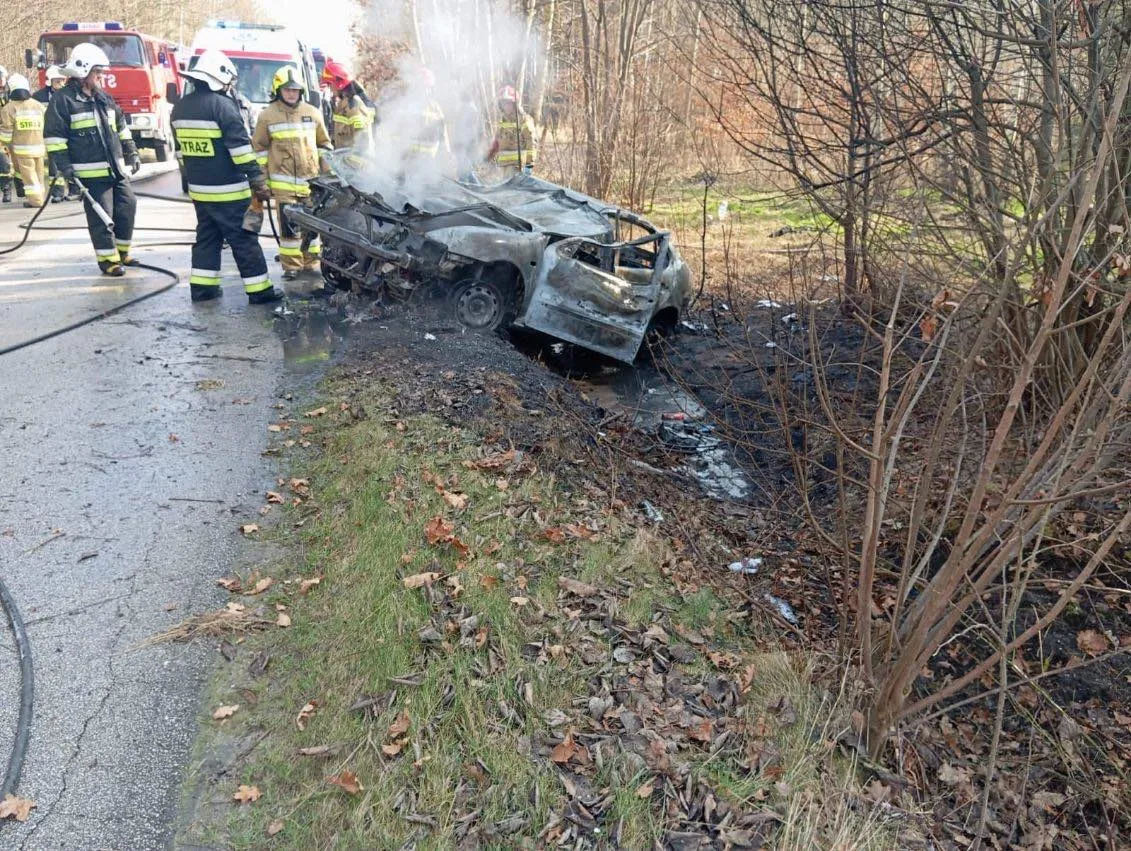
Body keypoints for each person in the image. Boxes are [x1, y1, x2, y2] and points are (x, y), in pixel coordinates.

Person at [172, 49, 281, 304]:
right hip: (229, 190)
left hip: (199, 189)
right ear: (220, 78)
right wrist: (257, 179)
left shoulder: (180, 107)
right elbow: (241, 151)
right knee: (243, 239)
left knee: (207, 238)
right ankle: (260, 291)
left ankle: (202, 289)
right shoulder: (222, 106)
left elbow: (181, 152)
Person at [44, 43, 141, 276]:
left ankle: (121, 251)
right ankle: (108, 261)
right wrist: (65, 168)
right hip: (89, 173)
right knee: (102, 216)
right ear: (83, 71)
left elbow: (121, 127)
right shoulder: (63, 101)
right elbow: (54, 139)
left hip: (114, 170)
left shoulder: (104, 98)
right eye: (97, 72)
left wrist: (132, 151)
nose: (101, 77)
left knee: (128, 205)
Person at [252, 65, 332, 282]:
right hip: (283, 185)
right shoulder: (267, 116)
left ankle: (311, 261)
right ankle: (292, 267)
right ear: (278, 90)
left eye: (295, 90)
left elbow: (324, 146)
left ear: (301, 91)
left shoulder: (312, 113)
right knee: (289, 230)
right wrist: (261, 180)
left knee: (313, 227)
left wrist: (328, 176)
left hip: (312, 184)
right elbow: (259, 150)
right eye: (287, 90)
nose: (291, 93)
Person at [0, 74, 47, 208]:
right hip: (39, 147)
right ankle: (40, 198)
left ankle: (35, 201)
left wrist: (4, 143)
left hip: (22, 149)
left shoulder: (9, 108)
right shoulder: (38, 105)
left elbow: (6, 133)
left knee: (29, 176)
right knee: (39, 174)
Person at [34, 67, 76, 201]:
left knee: (73, 161)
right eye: (57, 81)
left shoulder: (70, 95)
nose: (60, 83)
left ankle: (74, 191)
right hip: (53, 135)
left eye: (62, 80)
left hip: (69, 133)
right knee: (54, 164)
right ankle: (57, 193)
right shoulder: (38, 97)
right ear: (49, 81)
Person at [321, 60, 374, 152]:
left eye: (330, 84)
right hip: (345, 162)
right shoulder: (342, 106)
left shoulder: (354, 106)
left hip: (357, 164)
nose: (330, 88)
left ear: (338, 84)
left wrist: (353, 163)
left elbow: (363, 141)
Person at [488, 85, 538, 176]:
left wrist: (529, 165)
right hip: (503, 166)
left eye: (508, 103)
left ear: (515, 103)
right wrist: (488, 157)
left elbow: (531, 142)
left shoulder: (524, 120)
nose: (505, 106)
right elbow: (497, 142)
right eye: (503, 103)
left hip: (518, 167)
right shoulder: (503, 121)